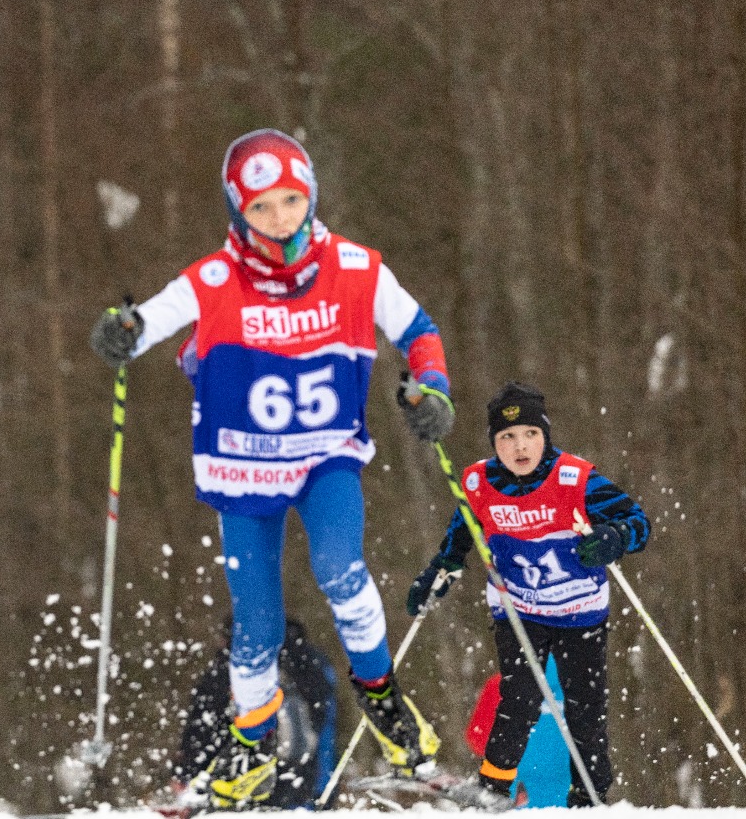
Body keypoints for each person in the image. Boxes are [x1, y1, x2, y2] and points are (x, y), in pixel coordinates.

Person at [90, 128, 455, 805]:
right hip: (244, 466)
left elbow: (419, 330)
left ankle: (387, 707)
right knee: (255, 621)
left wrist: (431, 386)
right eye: (261, 207)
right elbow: (153, 320)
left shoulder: (354, 267)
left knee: (340, 567)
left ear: (311, 195)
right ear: (238, 212)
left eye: (291, 199)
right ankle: (249, 746)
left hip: (326, 455)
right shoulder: (215, 278)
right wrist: (125, 330)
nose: (279, 218)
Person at [406, 381, 650, 808]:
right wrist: (438, 574)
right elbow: (460, 539)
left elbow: (638, 523)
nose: (520, 447)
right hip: (519, 610)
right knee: (518, 696)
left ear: (545, 435)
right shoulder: (479, 483)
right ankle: (493, 786)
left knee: (585, 708)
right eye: (507, 438)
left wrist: (614, 538)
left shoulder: (575, 477)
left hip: (579, 611)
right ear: (494, 443)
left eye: (530, 435)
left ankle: (588, 794)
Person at [173, 617, 338, 810]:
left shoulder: (233, 666)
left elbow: (201, 728)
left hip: (239, 789)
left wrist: (186, 775)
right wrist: (324, 793)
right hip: (300, 787)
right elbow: (326, 730)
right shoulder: (312, 663)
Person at [467, 658, 570, 808]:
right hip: (567, 802)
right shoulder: (579, 688)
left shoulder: (502, 684)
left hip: (514, 796)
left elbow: (476, 738)